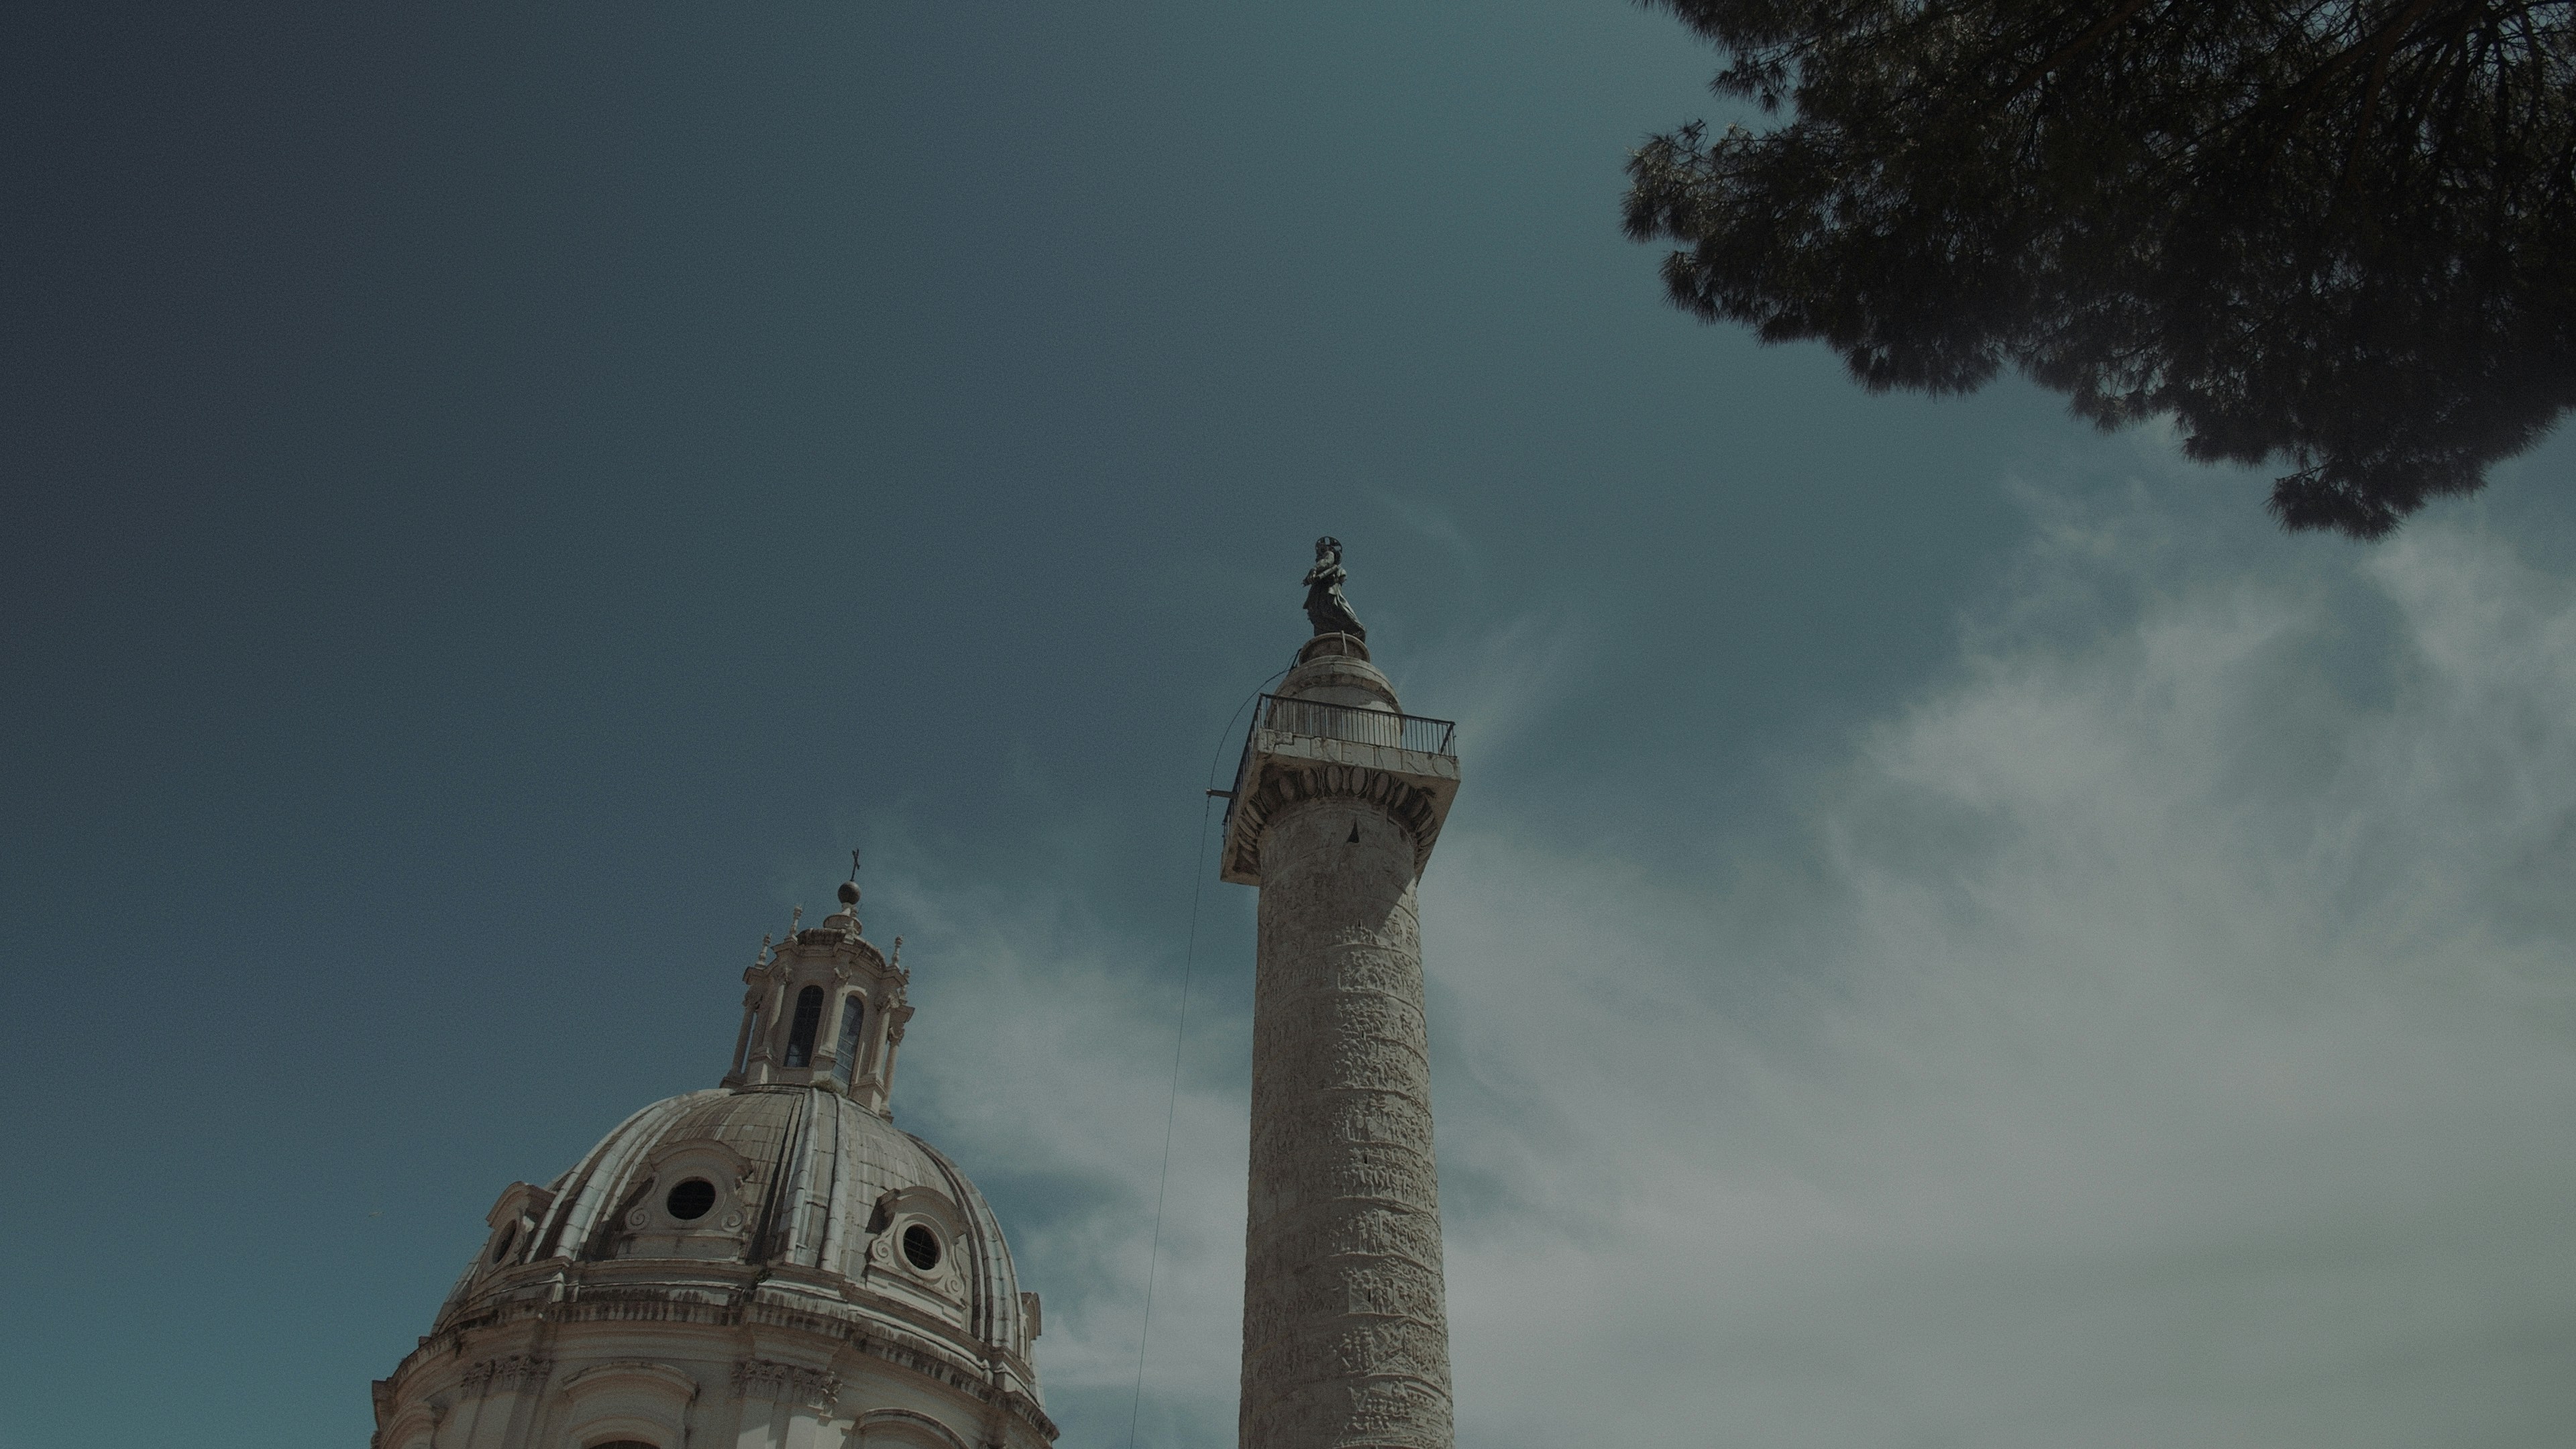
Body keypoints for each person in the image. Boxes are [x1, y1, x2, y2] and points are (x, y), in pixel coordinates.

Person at [1301, 536, 1366, 640]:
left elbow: (1327, 562)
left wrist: (1314, 569)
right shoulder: (1325, 560)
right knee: (1319, 610)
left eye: (1323, 548)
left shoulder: (1329, 554)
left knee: (1331, 606)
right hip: (1321, 587)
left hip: (1328, 587)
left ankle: (1356, 628)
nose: (1320, 552)